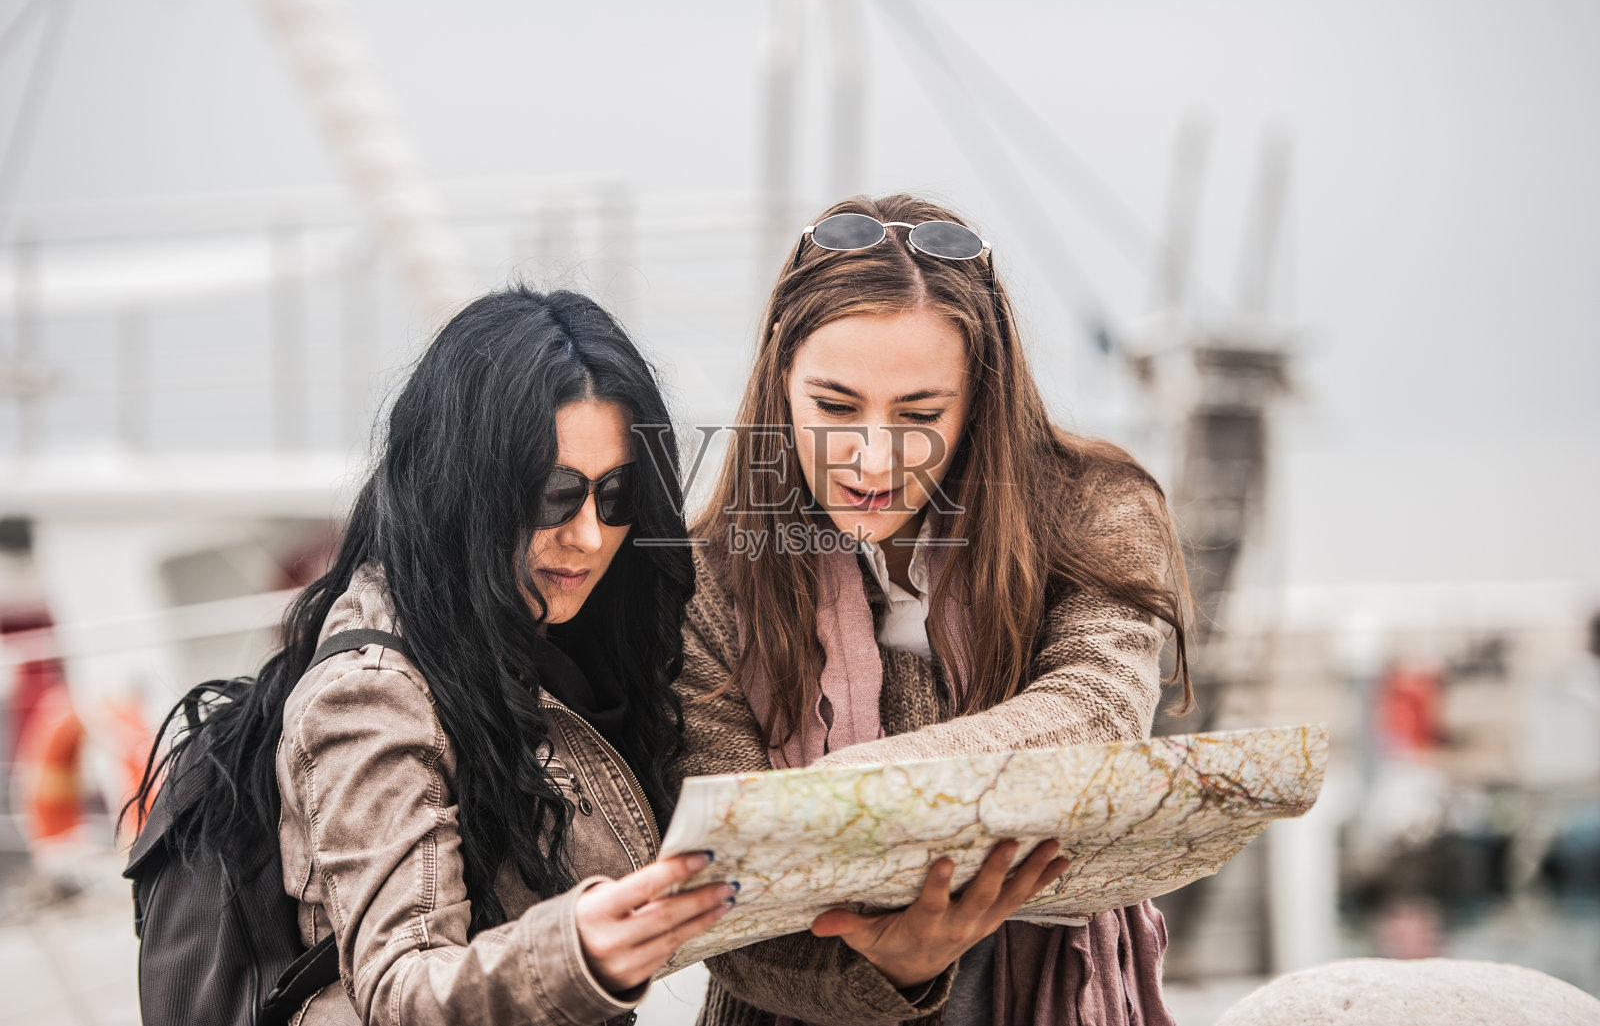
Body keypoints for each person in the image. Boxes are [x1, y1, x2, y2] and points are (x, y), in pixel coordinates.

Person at [130, 287, 731, 1025]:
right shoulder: (371, 693)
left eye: (616, 493)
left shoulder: (571, 634)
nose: (589, 535)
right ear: (470, 487)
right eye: (553, 493)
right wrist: (576, 951)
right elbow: (400, 983)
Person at [675, 195, 1193, 1026]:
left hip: (1042, 996)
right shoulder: (708, 576)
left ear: (980, 400)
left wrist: (834, 792)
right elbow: (719, 891)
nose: (873, 459)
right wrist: (890, 966)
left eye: (920, 414)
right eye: (836, 408)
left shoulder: (1097, 511)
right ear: (781, 382)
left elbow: (1095, 718)